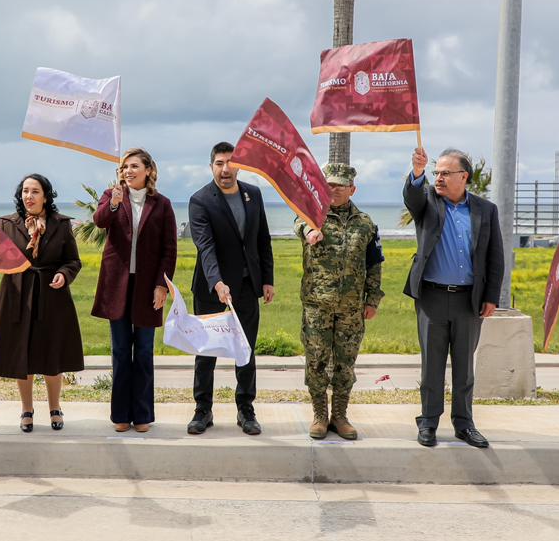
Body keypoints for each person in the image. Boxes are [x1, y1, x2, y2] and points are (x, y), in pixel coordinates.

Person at [403, 146, 503, 449]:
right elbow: (412, 196)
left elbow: (494, 256)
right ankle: (429, 422)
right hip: (432, 299)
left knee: (464, 366)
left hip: (468, 301)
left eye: (446, 173)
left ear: (464, 176)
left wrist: (491, 297)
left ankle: (464, 423)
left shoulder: (486, 210)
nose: (440, 178)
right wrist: (417, 173)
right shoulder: (428, 203)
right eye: (437, 173)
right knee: (431, 365)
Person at [187, 142, 275, 436]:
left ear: (240, 165)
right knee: (206, 350)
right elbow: (206, 246)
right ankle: (203, 410)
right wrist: (217, 281)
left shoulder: (254, 194)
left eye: (231, 163)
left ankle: (246, 409)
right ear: (211, 166)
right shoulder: (200, 200)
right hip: (211, 287)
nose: (226, 169)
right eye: (219, 163)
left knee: (245, 349)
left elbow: (262, 238)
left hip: (248, 285)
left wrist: (267, 278)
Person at [0, 174, 83, 432]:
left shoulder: (61, 224)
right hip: (16, 294)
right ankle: (26, 409)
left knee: (52, 356)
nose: (29, 196)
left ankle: (55, 407)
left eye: (35, 191)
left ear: (46, 196)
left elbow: (73, 260)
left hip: (52, 296)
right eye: (25, 191)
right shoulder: (7, 224)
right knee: (22, 355)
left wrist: (64, 274)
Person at [91, 148, 177, 432]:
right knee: (119, 351)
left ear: (149, 170)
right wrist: (114, 203)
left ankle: (142, 416)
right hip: (117, 286)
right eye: (125, 167)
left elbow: (169, 248)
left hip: (147, 288)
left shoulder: (162, 204)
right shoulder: (111, 195)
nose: (128, 171)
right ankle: (120, 416)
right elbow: (99, 221)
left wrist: (161, 285)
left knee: (143, 351)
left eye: (134, 166)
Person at [296, 163, 384, 440]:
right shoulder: (311, 215)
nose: (333, 190)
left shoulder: (366, 224)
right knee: (317, 361)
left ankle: (340, 416)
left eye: (340, 186)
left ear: (352, 189)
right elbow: (300, 226)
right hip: (317, 306)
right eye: (329, 185)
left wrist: (373, 299)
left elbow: (374, 264)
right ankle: (320, 416)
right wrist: (310, 233)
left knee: (346, 363)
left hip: (350, 308)